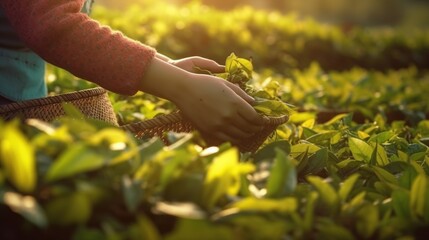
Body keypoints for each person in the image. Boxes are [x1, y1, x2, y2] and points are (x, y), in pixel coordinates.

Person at [0, 0, 265, 145]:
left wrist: (169, 66)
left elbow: (68, 21)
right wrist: (180, 86)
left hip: (22, 104)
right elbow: (54, 26)